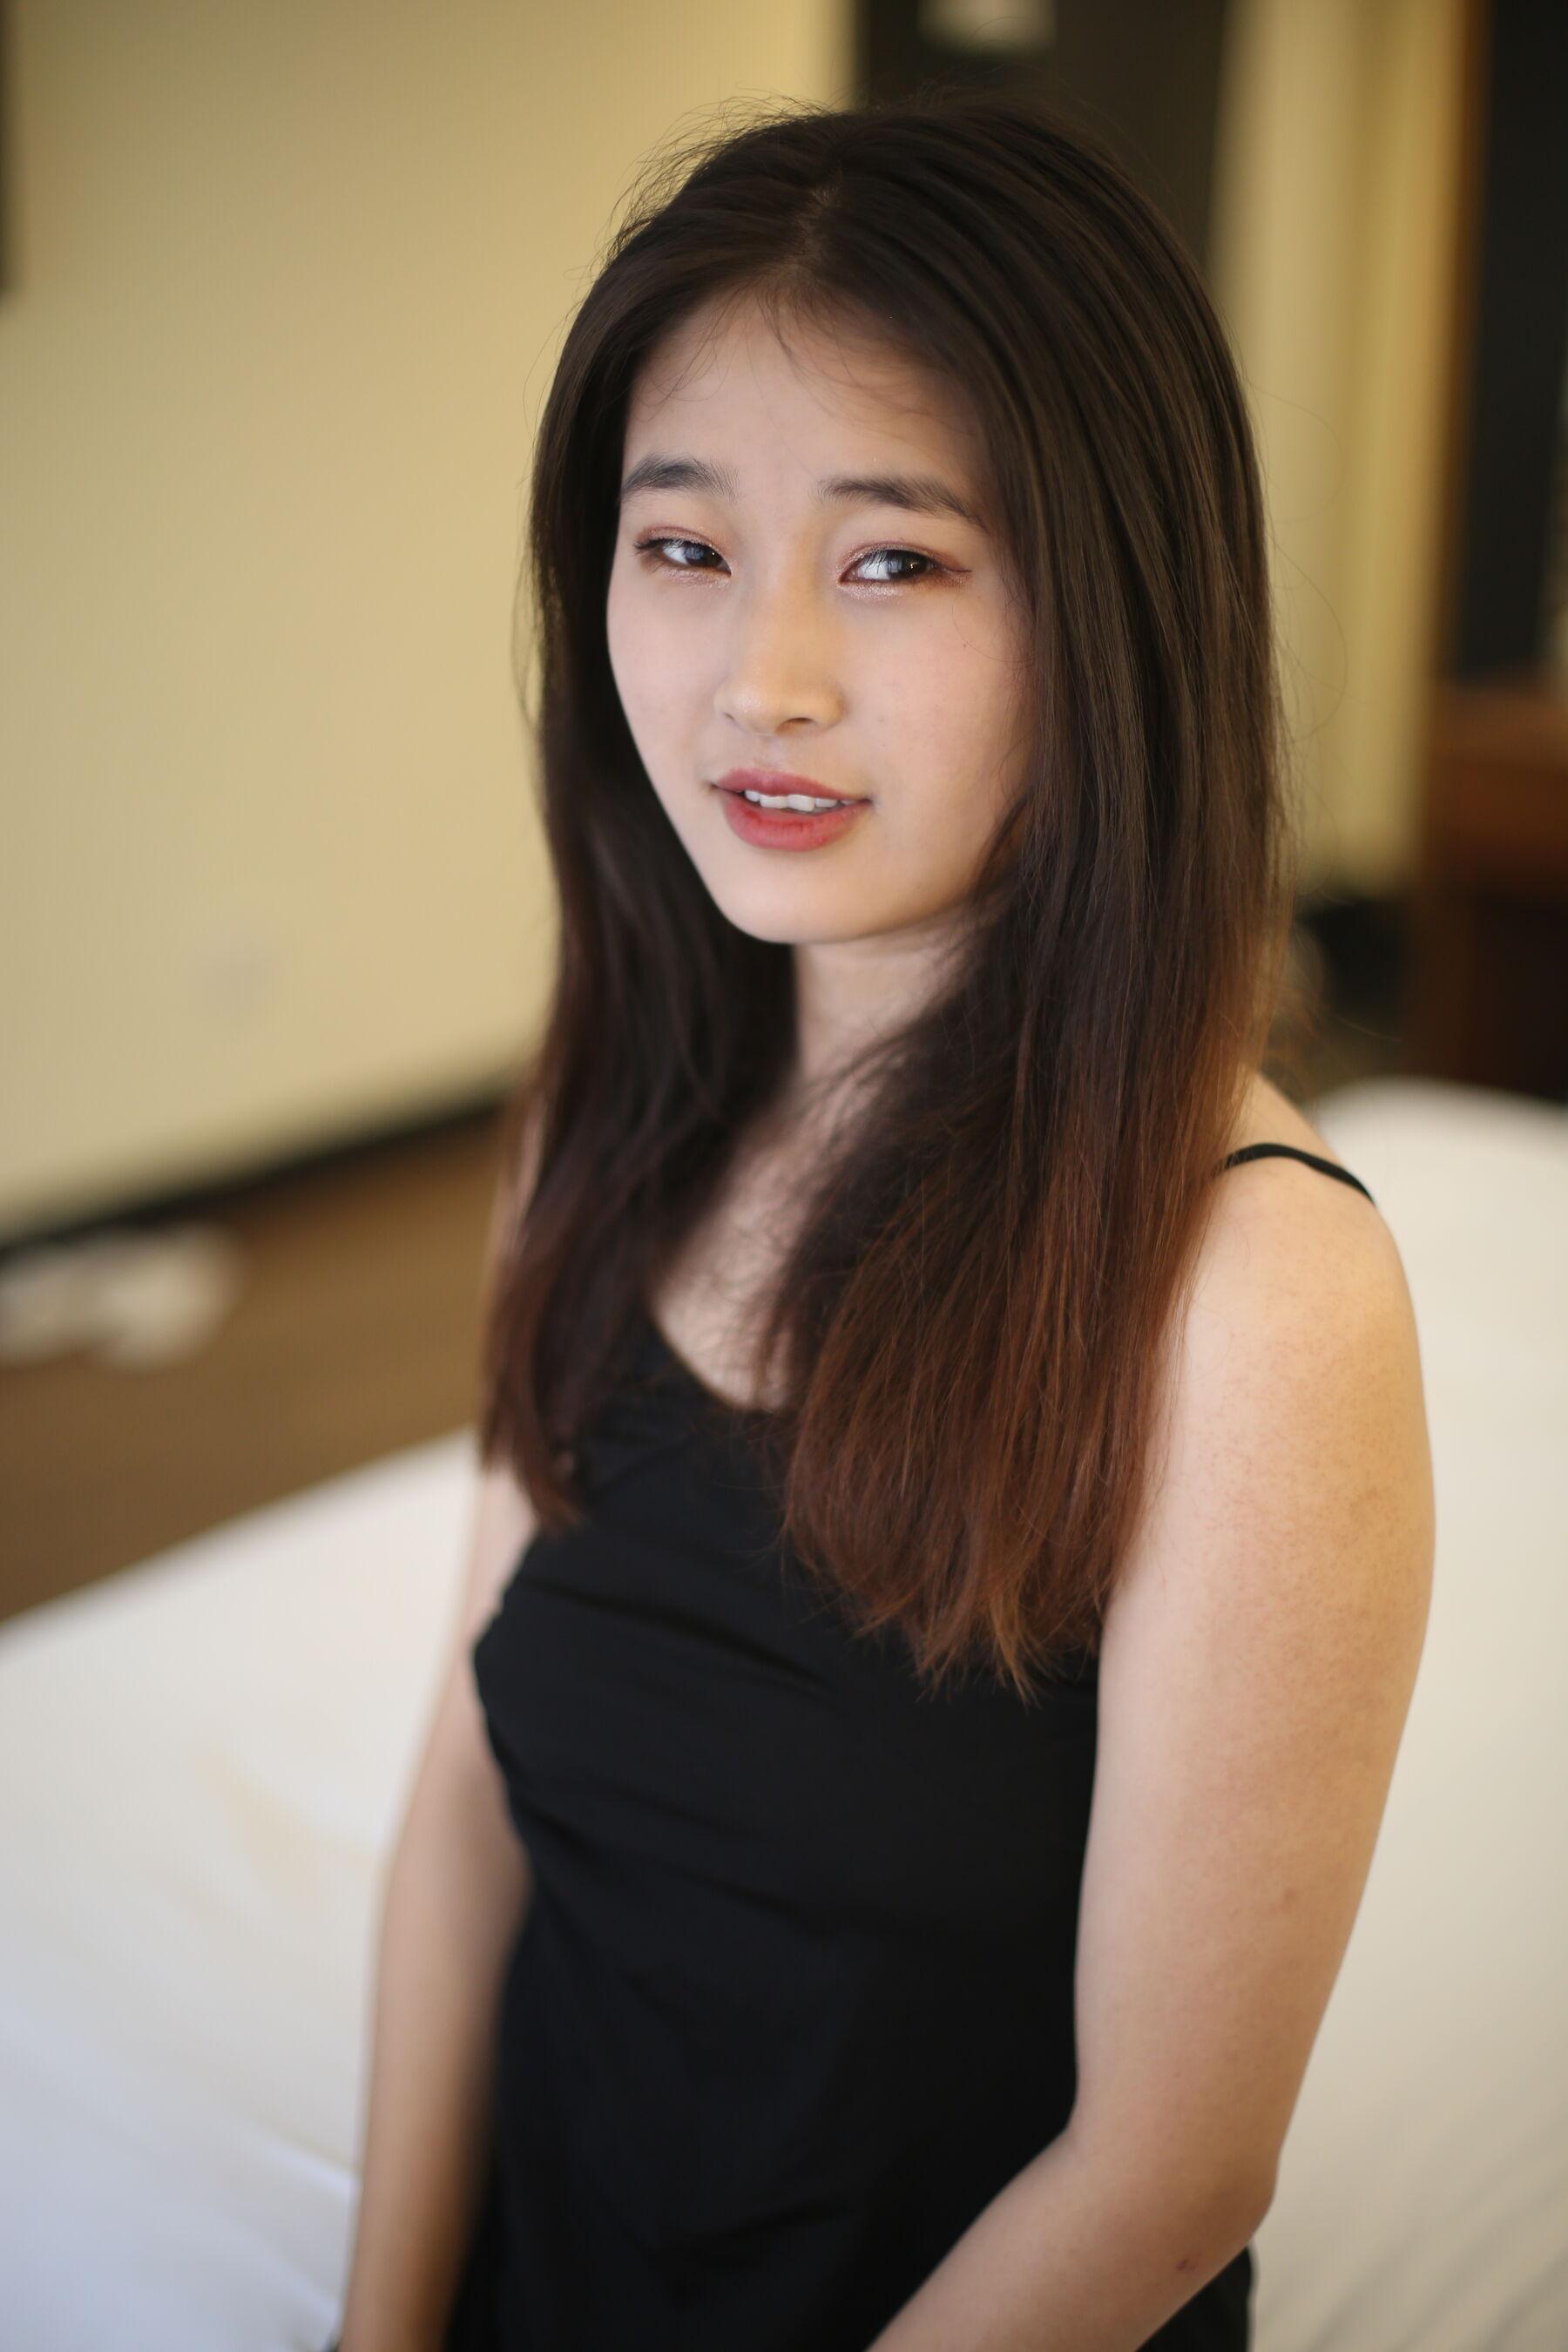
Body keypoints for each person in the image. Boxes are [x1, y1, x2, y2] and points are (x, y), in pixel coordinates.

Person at [330, 89, 1435, 2352]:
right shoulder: (608, 1120)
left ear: (1110, 609)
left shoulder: (1253, 1294)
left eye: (894, 560)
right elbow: (468, 1803)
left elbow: (1167, 2174)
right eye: (682, 544)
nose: (763, 679)